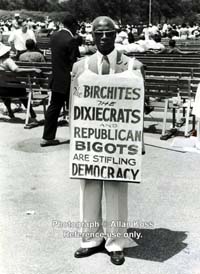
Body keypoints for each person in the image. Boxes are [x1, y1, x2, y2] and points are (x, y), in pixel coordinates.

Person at [71, 16, 144, 266]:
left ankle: (115, 242)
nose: (103, 38)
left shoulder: (133, 66)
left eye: (108, 33)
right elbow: (74, 106)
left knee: (116, 191)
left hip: (117, 142)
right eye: (98, 33)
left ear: (116, 34)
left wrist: (137, 141)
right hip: (90, 141)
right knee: (89, 189)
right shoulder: (80, 67)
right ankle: (90, 239)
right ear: (91, 35)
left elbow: (137, 108)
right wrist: (76, 139)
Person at [40, 13, 80, 147]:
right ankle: (78, 137)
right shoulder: (72, 39)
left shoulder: (54, 36)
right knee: (75, 109)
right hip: (68, 80)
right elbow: (73, 62)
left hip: (56, 77)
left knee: (54, 107)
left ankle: (47, 137)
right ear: (73, 25)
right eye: (76, 27)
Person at [0, 42, 41, 119]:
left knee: (4, 86)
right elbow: (17, 70)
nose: (9, 52)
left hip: (1, 90)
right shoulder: (8, 60)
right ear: (4, 53)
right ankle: (31, 112)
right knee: (22, 90)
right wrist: (33, 69)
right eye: (7, 51)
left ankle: (10, 111)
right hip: (14, 91)